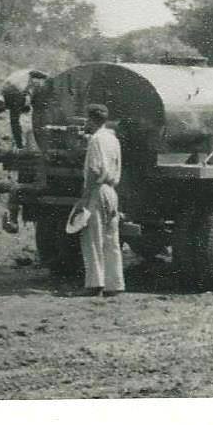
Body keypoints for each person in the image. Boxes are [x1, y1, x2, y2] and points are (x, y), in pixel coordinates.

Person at [77, 103, 125, 297]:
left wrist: (85, 197)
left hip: (97, 190)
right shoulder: (113, 139)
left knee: (92, 237)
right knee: (111, 239)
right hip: (111, 190)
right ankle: (115, 284)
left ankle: (94, 284)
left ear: (91, 120)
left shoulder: (96, 140)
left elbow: (95, 170)